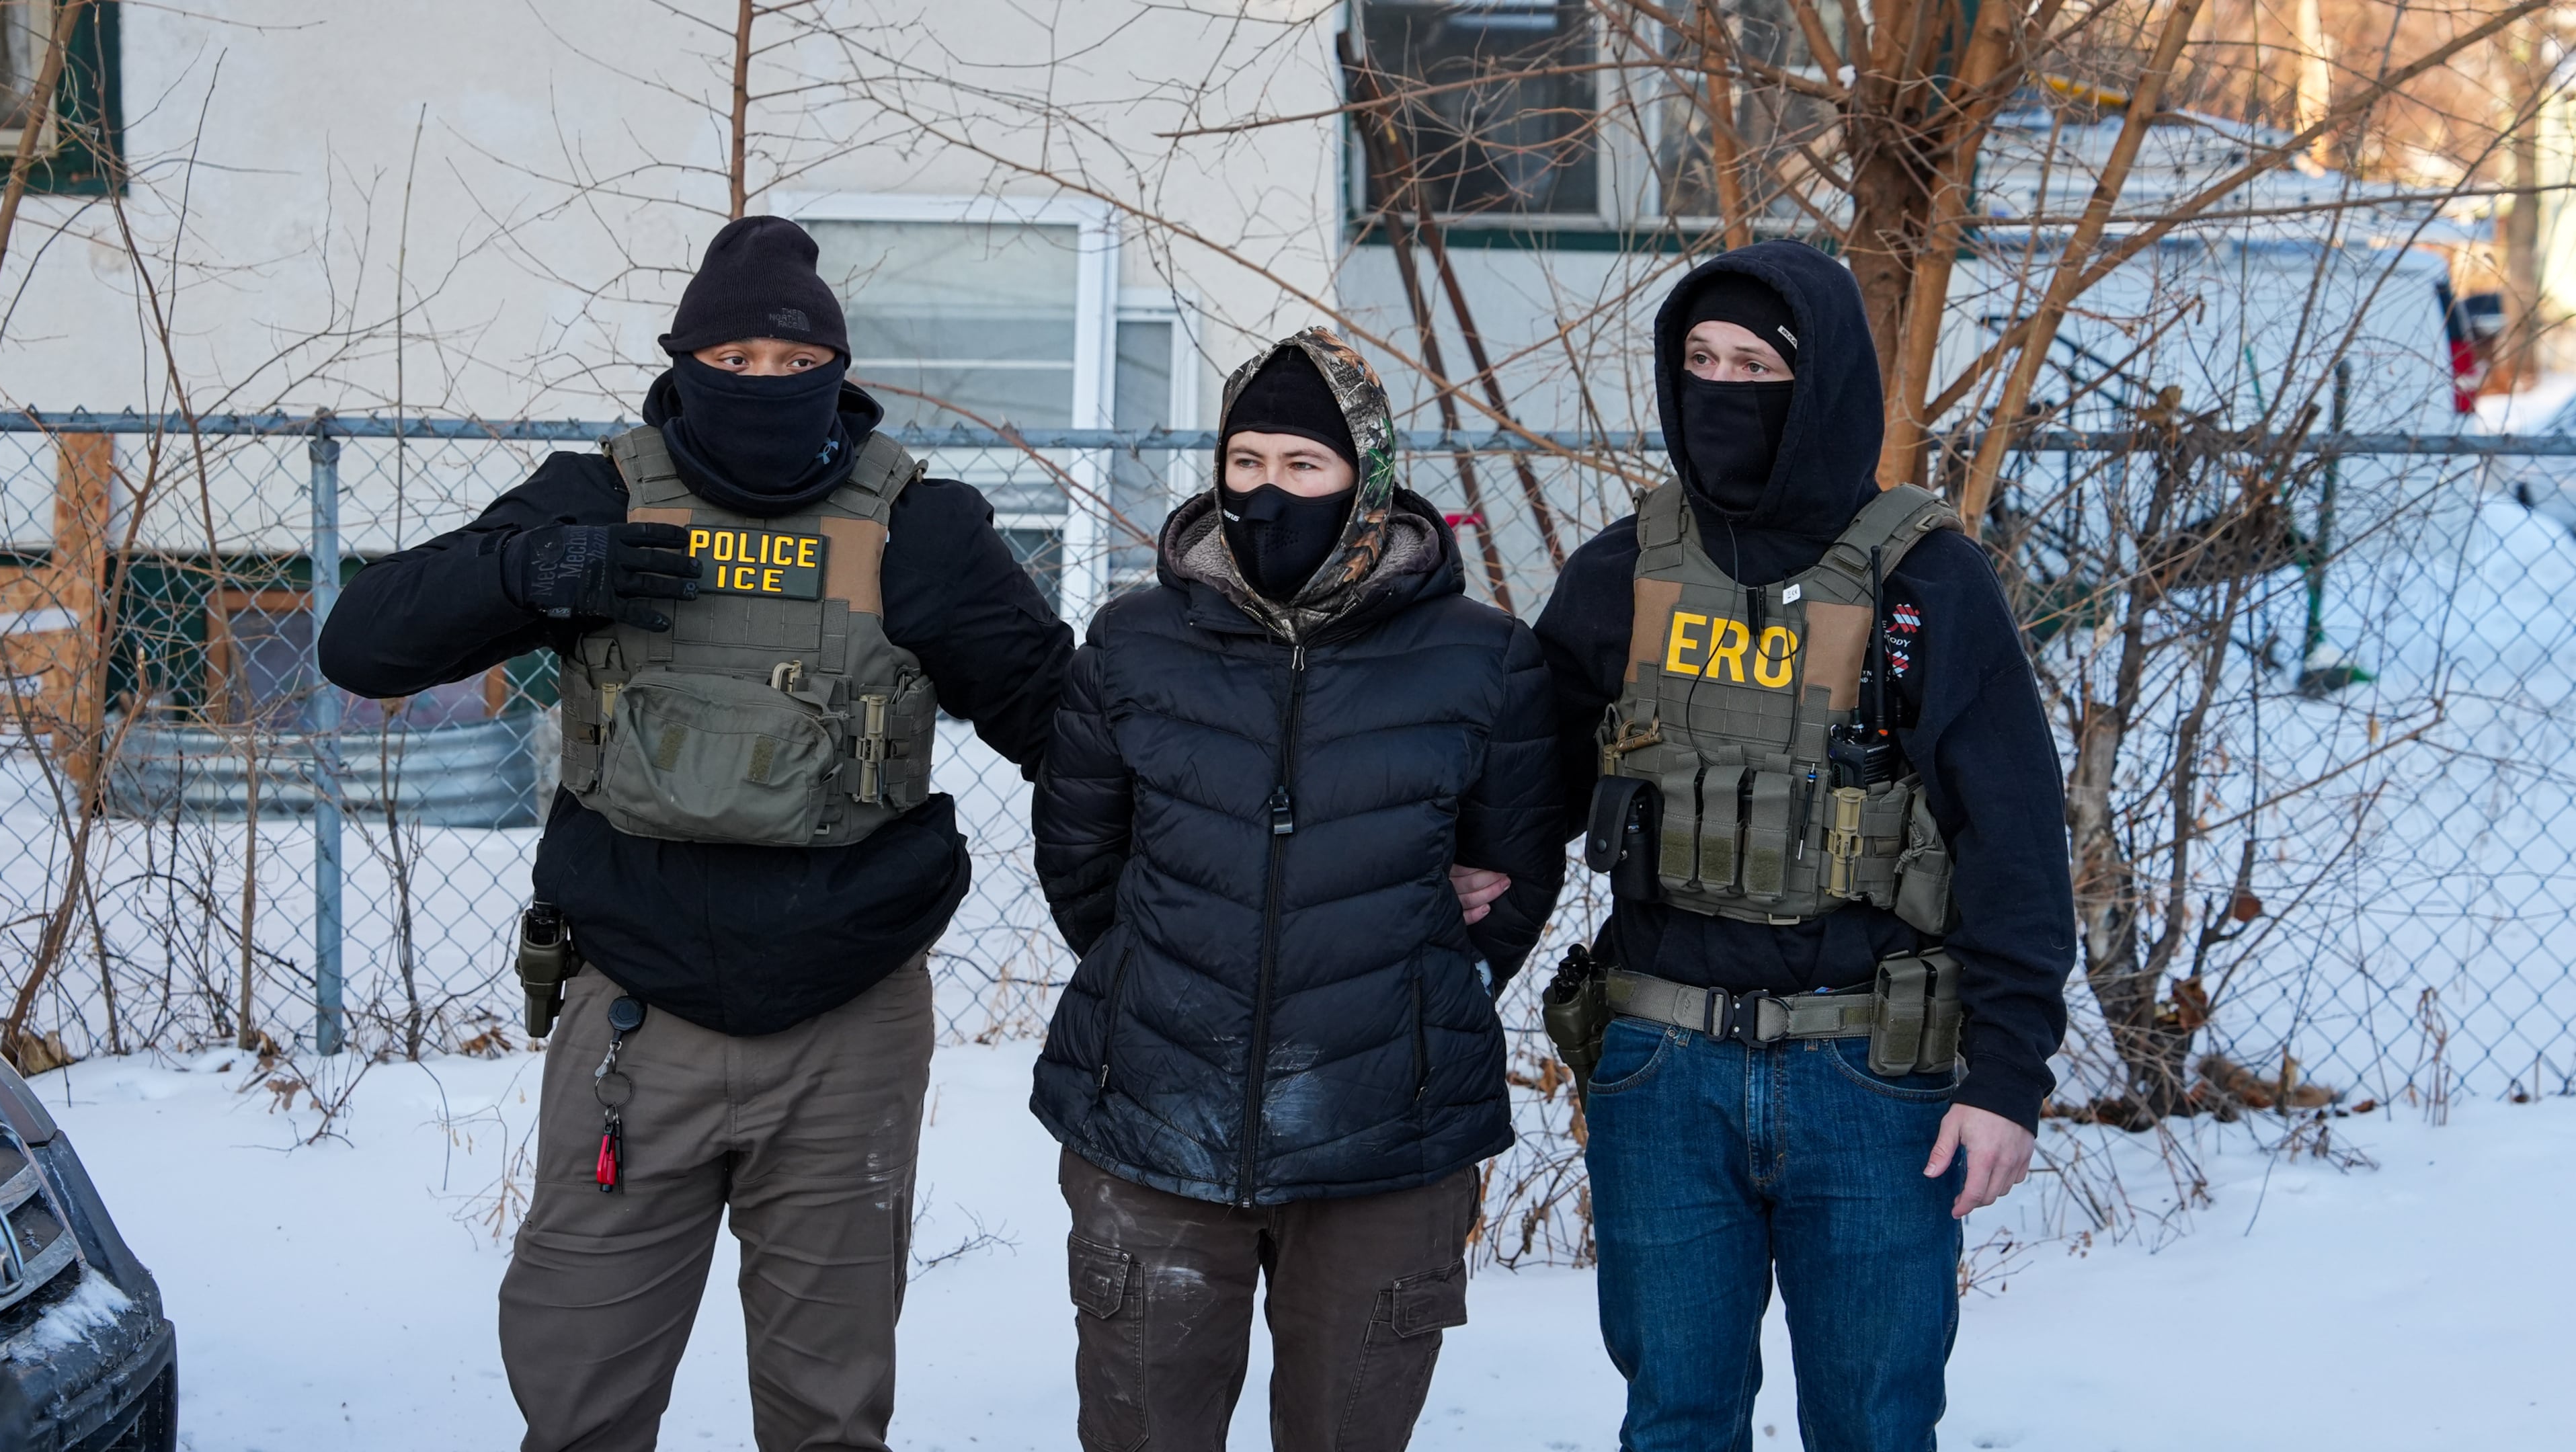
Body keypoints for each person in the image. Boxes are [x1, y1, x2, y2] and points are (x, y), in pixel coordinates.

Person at [317, 216, 1072, 1452]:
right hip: (636, 1006)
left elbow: (1063, 729)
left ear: (838, 372)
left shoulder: (920, 528)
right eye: (731, 359)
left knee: (829, 1412)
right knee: (581, 1392)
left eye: (793, 363)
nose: (763, 386)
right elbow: (365, 643)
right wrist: (542, 570)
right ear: (680, 364)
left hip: (848, 1021)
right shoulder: (597, 498)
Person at [1533, 241, 2075, 1450]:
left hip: (1871, 1078)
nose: (1723, 388)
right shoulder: (1625, 571)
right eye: (1700, 361)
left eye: (1757, 365)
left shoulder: (1928, 582)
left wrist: (2007, 1077)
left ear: (1820, 384)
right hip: (1660, 1071)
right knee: (1675, 1418)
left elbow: (2016, 845)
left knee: (1874, 1426)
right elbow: (1520, 800)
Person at [1028, 329, 1564, 1451]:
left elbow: (1511, 878)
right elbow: (1081, 860)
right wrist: (1163, 971)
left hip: (1386, 1128)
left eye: (1304, 467)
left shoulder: (1483, 659)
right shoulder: (1132, 644)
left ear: (1365, 482)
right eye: (1247, 463)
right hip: (1157, 1118)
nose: (1269, 492)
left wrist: (1412, 985)